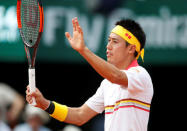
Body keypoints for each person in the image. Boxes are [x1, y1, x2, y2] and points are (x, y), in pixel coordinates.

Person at [26, 17, 154, 131]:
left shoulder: (141, 75)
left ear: (131, 48)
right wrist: (45, 104)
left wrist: (83, 50)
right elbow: (80, 115)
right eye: (108, 41)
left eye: (114, 42)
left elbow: (116, 76)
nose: (108, 46)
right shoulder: (107, 84)